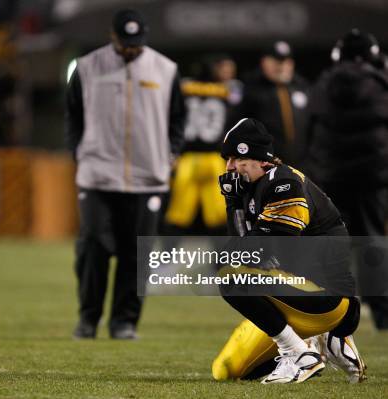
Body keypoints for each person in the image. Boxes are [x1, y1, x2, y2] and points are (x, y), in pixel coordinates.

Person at [212, 118, 366, 384]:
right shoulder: (256, 188)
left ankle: (300, 354)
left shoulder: (283, 183)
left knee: (229, 275)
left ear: (259, 158)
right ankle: (329, 343)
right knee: (227, 369)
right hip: (300, 294)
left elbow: (262, 252)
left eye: (236, 159)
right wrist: (234, 204)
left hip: (326, 299)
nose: (229, 167)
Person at [65, 9, 184, 339]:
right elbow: (73, 115)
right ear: (112, 36)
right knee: (93, 247)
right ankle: (88, 319)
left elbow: (177, 117)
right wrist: (78, 152)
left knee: (137, 252)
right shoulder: (88, 67)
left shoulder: (165, 68)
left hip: (147, 177)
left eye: (137, 43)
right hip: (98, 175)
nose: (131, 50)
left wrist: (172, 152)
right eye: (125, 43)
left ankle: (124, 321)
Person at [306, 29, 388, 330]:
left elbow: (308, 132)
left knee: (331, 243)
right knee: (373, 243)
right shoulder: (380, 85)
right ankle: (382, 314)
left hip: (330, 178)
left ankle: (329, 311)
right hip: (372, 179)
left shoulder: (323, 84)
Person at [164, 54, 242, 234]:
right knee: (218, 215)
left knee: (179, 213)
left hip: (188, 158)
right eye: (224, 68)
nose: (228, 73)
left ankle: (167, 259)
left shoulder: (185, 86)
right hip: (213, 158)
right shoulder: (230, 90)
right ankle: (222, 259)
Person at [233, 41, 309, 164]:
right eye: (276, 62)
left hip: (300, 164)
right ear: (264, 62)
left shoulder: (302, 87)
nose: (281, 66)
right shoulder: (251, 89)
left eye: (285, 62)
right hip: (264, 164)